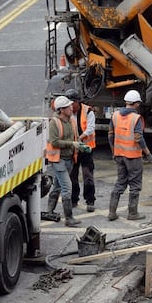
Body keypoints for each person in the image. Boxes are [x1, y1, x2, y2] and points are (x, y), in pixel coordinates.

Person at [108, 90, 152, 222]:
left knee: (120, 183)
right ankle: (132, 213)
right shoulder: (136, 118)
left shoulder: (115, 115)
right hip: (133, 157)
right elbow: (138, 137)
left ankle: (112, 212)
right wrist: (148, 153)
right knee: (135, 184)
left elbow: (110, 135)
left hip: (119, 155)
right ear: (137, 103)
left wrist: (114, 151)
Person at [46, 96, 85, 227]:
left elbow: (76, 136)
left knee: (57, 185)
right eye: (68, 107)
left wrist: (80, 144)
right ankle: (69, 218)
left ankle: (49, 211)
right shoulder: (54, 123)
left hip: (69, 160)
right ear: (61, 110)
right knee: (67, 188)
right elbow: (54, 141)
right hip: (59, 160)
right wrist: (72, 144)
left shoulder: (72, 120)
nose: (71, 108)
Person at [65, 89, 96, 213]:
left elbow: (90, 128)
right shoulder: (67, 113)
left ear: (77, 102)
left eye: (72, 104)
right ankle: (74, 199)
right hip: (73, 149)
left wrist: (80, 138)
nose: (70, 107)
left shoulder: (88, 111)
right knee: (73, 175)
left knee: (87, 175)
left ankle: (90, 200)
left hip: (86, 149)